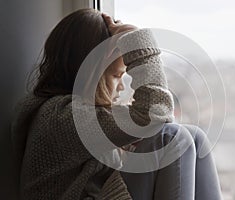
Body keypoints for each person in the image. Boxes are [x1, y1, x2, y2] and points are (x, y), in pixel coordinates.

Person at [10, 8, 222, 200]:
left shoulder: (70, 115)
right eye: (115, 76)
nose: (120, 88)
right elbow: (156, 113)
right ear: (93, 71)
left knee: (196, 137)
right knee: (171, 137)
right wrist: (138, 43)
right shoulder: (61, 117)